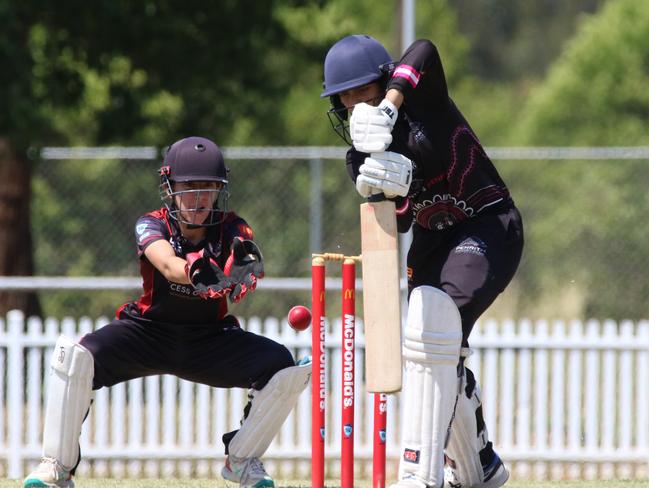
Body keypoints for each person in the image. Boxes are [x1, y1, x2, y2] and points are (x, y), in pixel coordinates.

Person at [23, 136, 311, 488]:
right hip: (146, 333)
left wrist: (242, 265)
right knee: (75, 358)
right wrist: (194, 271)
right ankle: (57, 468)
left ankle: (241, 462)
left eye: (208, 188)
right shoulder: (151, 223)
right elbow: (166, 262)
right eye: (188, 188)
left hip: (209, 339)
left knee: (283, 366)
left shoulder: (232, 225)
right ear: (169, 189)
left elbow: (244, 250)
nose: (199, 199)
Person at [321, 35, 524, 488]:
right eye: (344, 98)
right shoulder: (360, 156)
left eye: (362, 93)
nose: (354, 107)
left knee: (431, 320)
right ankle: (480, 468)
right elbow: (404, 220)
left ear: (383, 81)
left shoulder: (423, 103)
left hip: (487, 224)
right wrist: (387, 189)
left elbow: (426, 49)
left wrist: (390, 104)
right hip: (432, 243)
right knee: (430, 345)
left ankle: (418, 474)